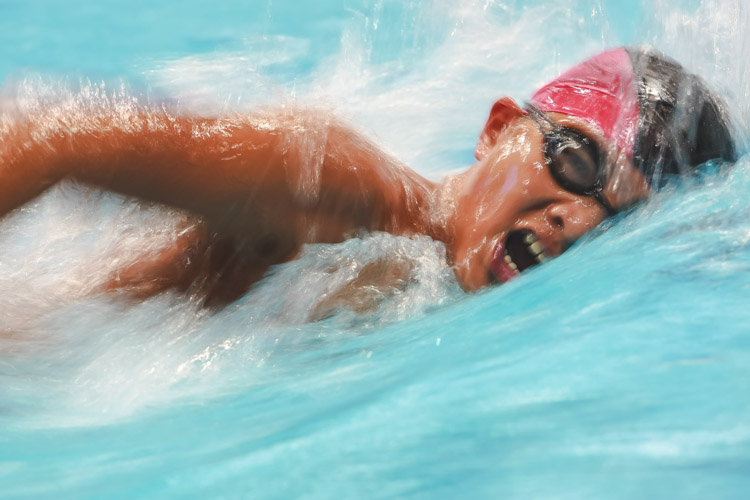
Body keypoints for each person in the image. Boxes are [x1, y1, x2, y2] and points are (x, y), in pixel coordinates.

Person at [0, 47, 736, 308]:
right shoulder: (333, 182)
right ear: (496, 129)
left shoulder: (432, 283)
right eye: (578, 165)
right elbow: (56, 136)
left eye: (613, 219)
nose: (575, 222)